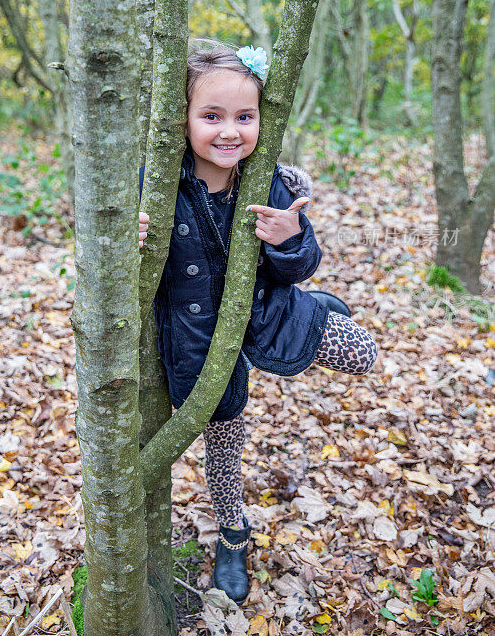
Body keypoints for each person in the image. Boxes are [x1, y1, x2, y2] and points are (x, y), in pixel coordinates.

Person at [138, 43, 378, 605]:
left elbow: (301, 259)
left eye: (245, 118)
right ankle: (232, 533)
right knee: (224, 446)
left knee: (362, 353)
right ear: (184, 119)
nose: (230, 132)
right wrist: (137, 239)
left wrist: (289, 241)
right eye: (212, 116)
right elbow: (128, 274)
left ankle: (323, 309)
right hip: (198, 343)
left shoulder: (268, 178)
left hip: (267, 313)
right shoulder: (156, 185)